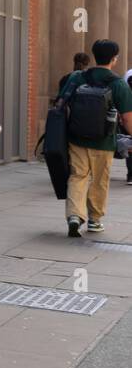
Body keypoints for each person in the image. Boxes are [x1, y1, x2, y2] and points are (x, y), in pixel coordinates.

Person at [59, 39, 132, 236]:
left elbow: (61, 103)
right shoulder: (118, 84)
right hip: (104, 141)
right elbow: (127, 118)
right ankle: (94, 219)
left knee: (78, 176)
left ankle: (74, 215)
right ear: (114, 59)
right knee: (100, 180)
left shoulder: (77, 77)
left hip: (77, 138)